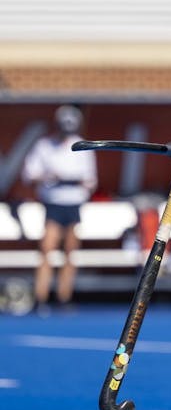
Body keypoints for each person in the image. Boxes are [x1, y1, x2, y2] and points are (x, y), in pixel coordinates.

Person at [20, 105, 96, 310]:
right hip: (53, 203)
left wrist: (74, 182)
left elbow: (90, 180)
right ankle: (41, 297)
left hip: (73, 204)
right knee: (47, 249)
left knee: (70, 251)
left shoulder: (82, 147)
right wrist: (49, 177)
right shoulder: (44, 146)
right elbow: (29, 173)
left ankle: (64, 297)